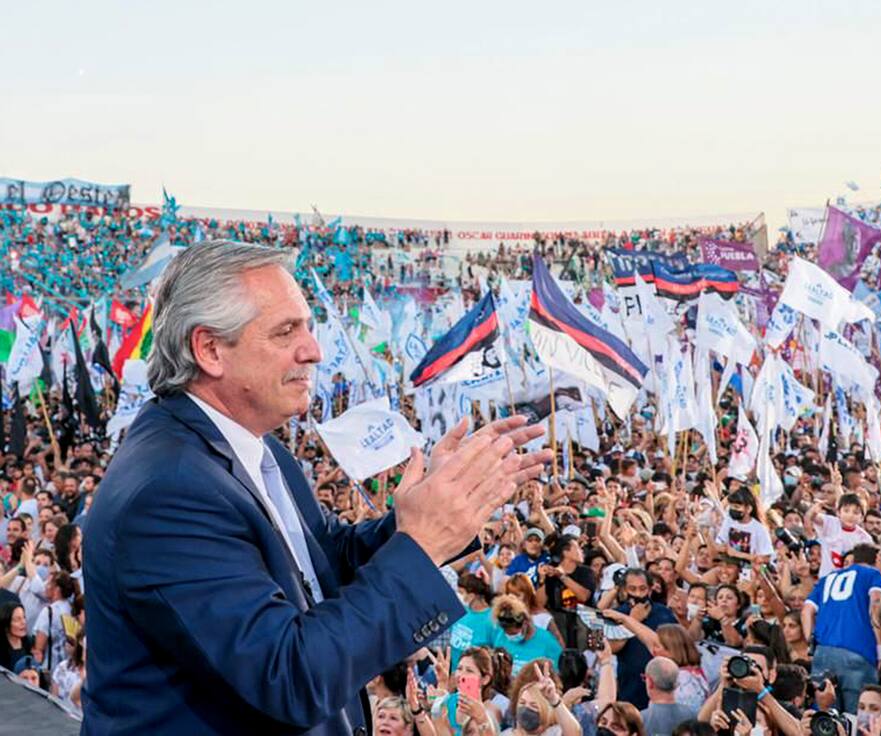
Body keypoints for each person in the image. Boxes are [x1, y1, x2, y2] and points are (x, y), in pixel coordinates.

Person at [82, 241, 552, 735]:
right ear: (210, 349)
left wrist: (432, 511)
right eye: (286, 331)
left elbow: (323, 564)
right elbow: (288, 678)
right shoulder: (170, 492)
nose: (313, 350)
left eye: (307, 326)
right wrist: (420, 543)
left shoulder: (254, 448)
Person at [802, 542, 881, 713]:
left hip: (823, 652)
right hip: (859, 653)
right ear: (876, 559)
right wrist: (880, 646)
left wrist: (811, 642)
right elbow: (877, 602)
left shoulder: (827, 578)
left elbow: (807, 610)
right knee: (855, 718)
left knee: (825, 717)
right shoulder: (874, 575)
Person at [608, 569, 680, 710]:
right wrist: (632, 620)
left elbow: (675, 647)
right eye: (632, 589)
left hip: (662, 685)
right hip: (630, 686)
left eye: (642, 589)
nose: (638, 594)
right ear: (624, 590)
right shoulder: (616, 615)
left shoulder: (663, 613)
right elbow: (611, 647)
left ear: (650, 589)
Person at [491, 594, 564, 676]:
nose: (509, 636)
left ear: (525, 623)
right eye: (506, 632)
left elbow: (558, 673)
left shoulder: (547, 641)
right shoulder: (501, 637)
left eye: (513, 633)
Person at [640, 657, 697, 736]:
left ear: (650, 682)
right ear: (676, 683)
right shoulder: (692, 716)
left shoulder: (640, 720)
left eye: (644, 678)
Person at [0, 600, 33, 671]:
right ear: (6, 624)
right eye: (18, 619)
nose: (23, 622)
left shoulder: (31, 643)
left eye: (24, 617)